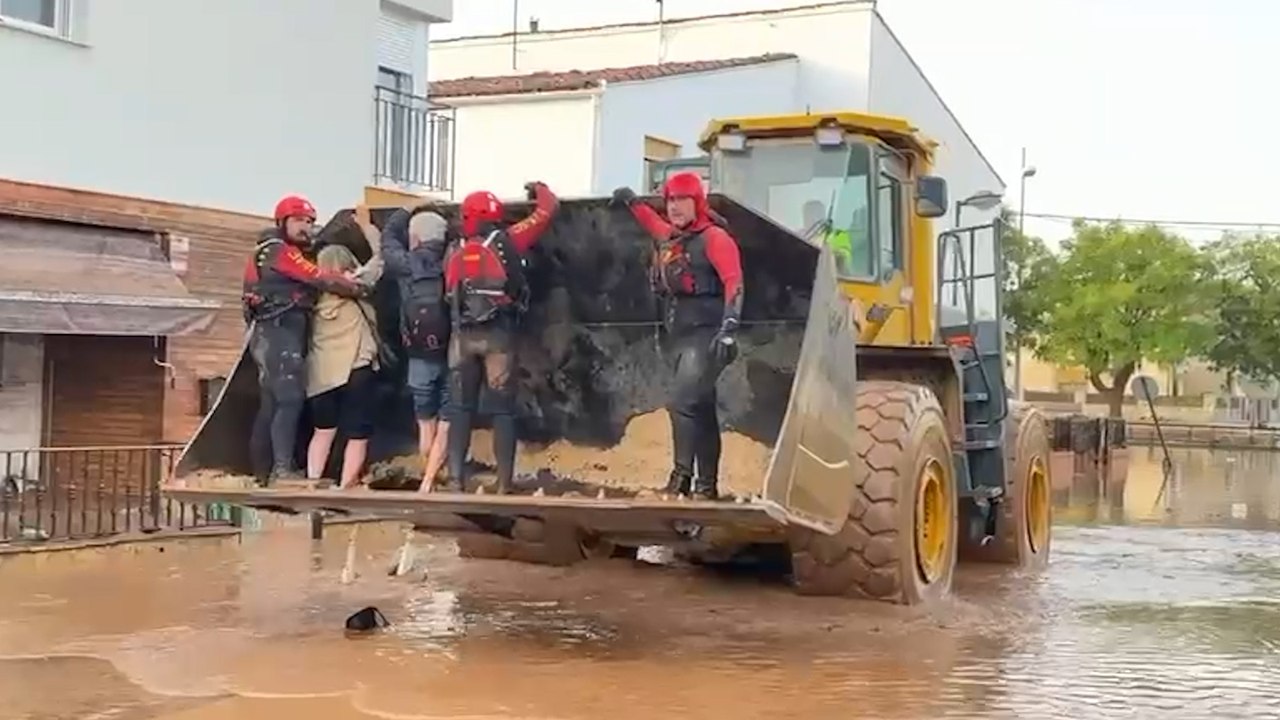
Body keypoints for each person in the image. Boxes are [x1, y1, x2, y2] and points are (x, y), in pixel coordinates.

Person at [611, 173, 744, 500]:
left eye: (682, 200)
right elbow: (652, 224)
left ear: (697, 202)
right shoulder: (674, 237)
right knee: (702, 408)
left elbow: (734, 281)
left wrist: (729, 327)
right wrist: (632, 201)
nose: (674, 207)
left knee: (683, 403)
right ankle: (707, 486)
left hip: (709, 336)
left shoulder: (715, 238)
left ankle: (681, 480)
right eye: (670, 200)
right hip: (682, 336)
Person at [243, 194, 368, 486]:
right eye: (299, 221)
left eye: (310, 222)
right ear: (282, 221)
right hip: (278, 332)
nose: (307, 228)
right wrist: (354, 284)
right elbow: (317, 277)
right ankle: (282, 471)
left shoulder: (269, 250)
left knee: (272, 404)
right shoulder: (278, 251)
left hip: (271, 333)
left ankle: (263, 474)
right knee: (289, 399)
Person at [443, 181, 560, 494]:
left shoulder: (454, 246)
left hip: (462, 336)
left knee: (461, 408)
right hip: (499, 335)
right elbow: (547, 211)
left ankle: (456, 478)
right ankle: (504, 483)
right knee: (503, 410)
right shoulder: (507, 239)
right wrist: (540, 189)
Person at [303, 206, 385, 489]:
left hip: (321, 374)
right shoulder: (353, 284)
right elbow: (380, 259)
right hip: (357, 368)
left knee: (323, 431)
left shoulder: (309, 293)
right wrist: (367, 228)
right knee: (357, 433)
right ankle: (346, 485)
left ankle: (312, 482)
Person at [379, 203, 454, 493]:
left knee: (426, 422)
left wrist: (404, 211)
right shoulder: (452, 260)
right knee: (447, 422)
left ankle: (428, 477)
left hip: (418, 354)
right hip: (451, 351)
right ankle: (429, 481)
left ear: (416, 237)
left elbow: (387, 239)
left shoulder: (405, 264)